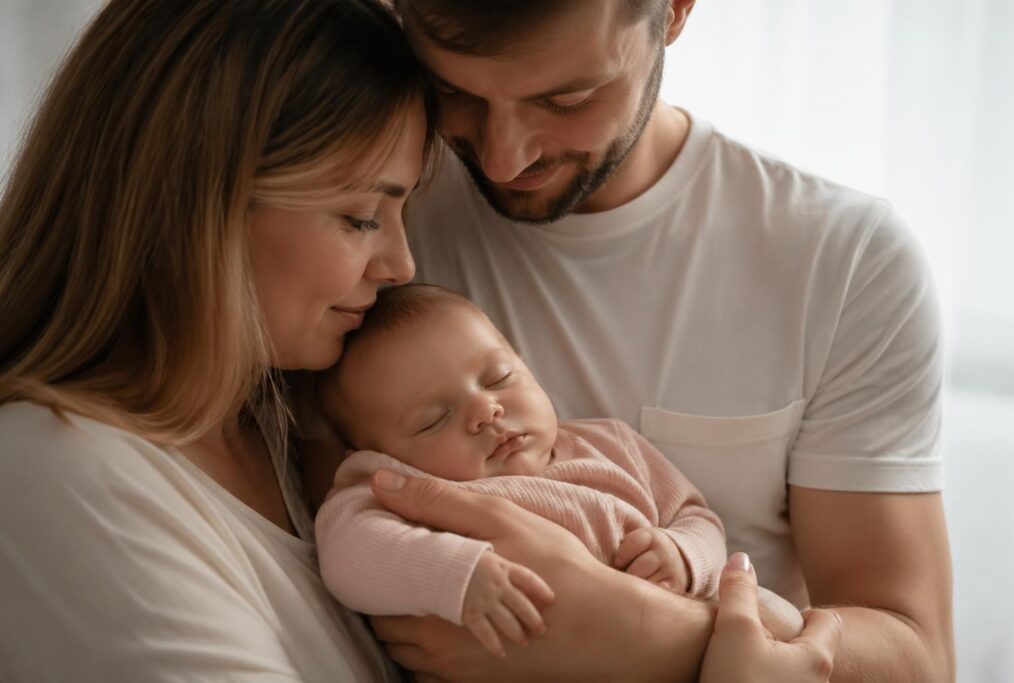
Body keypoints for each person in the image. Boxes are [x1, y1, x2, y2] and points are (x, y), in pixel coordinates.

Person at [0, 0, 842, 681]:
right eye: (362, 215)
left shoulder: (278, 432)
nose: (403, 263)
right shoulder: (54, 471)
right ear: (194, 206)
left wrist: (651, 628)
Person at [360, 0, 955, 680]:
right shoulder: (373, 219)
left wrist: (638, 633)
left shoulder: (842, 262)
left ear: (673, 12)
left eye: (566, 98)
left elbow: (918, 660)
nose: (503, 157)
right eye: (454, 92)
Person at [312, 283, 751, 655]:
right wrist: (454, 574)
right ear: (374, 455)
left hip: (678, 636)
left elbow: (696, 517)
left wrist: (684, 554)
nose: (486, 409)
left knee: (772, 616)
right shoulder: (398, 489)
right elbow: (348, 551)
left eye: (499, 378)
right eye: (434, 420)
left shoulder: (610, 445)